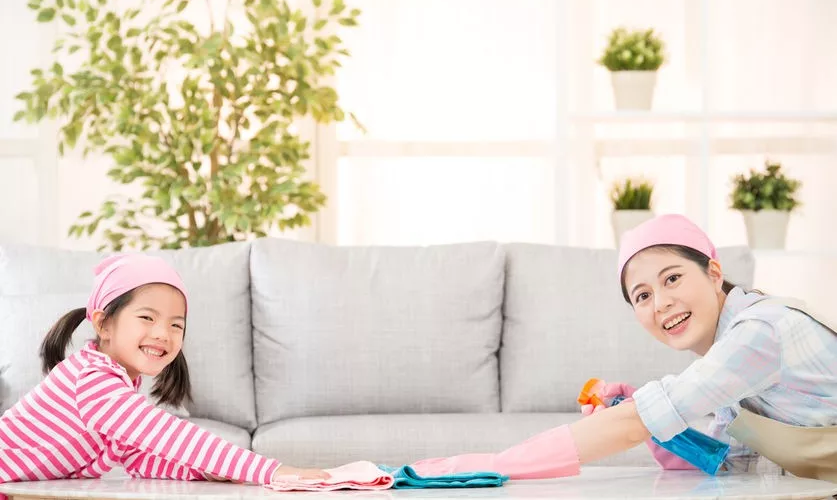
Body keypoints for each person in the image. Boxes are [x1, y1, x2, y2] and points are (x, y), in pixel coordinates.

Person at [408, 213, 837, 482]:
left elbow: (636, 424)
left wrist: (498, 464)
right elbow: (732, 466)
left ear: (713, 272)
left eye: (672, 278)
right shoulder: (727, 359)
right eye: (643, 296)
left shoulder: (757, 333)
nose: (662, 302)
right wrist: (643, 417)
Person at [0, 253, 329, 491]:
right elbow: (170, 436)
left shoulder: (117, 385)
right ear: (103, 323)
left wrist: (205, 472)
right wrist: (273, 471)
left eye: (176, 325)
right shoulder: (93, 381)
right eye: (147, 318)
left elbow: (140, 458)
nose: (163, 334)